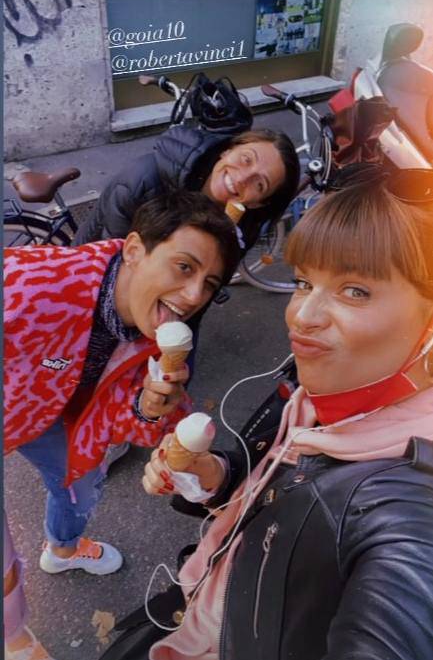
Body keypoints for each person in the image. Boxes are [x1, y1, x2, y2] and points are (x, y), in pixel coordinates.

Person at [109, 166, 433, 660]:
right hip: (193, 607)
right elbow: (279, 476)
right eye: (303, 282)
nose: (302, 316)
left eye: (355, 290)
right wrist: (213, 475)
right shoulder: (311, 390)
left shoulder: (407, 505)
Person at [4, 190, 240, 660]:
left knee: (83, 483)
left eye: (209, 284)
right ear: (134, 250)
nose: (194, 296)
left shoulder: (156, 339)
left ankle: (63, 549)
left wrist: (148, 406)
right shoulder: (31, 284)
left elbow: (131, 423)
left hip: (51, 419)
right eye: (184, 267)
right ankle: (12, 638)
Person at [73, 126, 300, 253]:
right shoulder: (142, 182)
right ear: (228, 150)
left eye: (259, 184)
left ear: (259, 203)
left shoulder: (241, 229)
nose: (242, 178)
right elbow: (111, 263)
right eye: (246, 159)